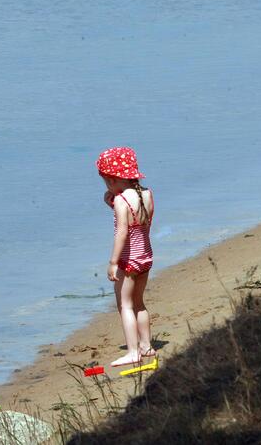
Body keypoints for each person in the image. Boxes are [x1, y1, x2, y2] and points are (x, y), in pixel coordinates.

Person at [96, 147, 156, 367]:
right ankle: (147, 345)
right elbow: (139, 219)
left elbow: (122, 232)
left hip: (128, 260)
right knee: (139, 303)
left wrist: (113, 262)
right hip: (145, 256)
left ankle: (133, 351)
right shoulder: (147, 194)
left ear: (112, 180)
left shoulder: (122, 201)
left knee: (125, 305)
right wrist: (112, 202)